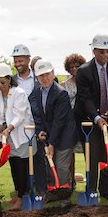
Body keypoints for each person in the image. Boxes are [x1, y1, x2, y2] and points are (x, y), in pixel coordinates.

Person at [74, 34, 108, 202]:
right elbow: (84, 98)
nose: (105, 56)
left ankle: (105, 190)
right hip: (90, 119)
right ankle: (91, 190)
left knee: (107, 154)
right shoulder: (84, 71)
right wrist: (96, 118)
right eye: (102, 52)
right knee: (93, 156)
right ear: (94, 51)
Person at [29, 60, 77, 206]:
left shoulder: (60, 93)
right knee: (50, 167)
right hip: (51, 133)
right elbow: (42, 115)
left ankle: (65, 198)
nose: (45, 78)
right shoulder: (37, 92)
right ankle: (54, 194)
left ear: (53, 73)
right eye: (41, 75)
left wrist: (52, 143)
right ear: (37, 77)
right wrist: (42, 130)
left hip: (65, 135)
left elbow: (59, 121)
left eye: (47, 74)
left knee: (61, 167)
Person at [0, 63, 34, 210]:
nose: (0, 85)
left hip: (22, 135)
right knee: (14, 166)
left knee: (22, 166)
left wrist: (8, 128)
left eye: (2, 82)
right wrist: (0, 125)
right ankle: (17, 194)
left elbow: (19, 116)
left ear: (9, 79)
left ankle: (22, 198)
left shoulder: (19, 93)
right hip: (8, 136)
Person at [11, 44, 45, 193]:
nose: (18, 64)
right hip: (18, 126)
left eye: (21, 61)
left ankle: (41, 189)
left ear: (28, 59)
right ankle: (22, 190)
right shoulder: (11, 81)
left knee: (39, 157)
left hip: (38, 124)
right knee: (20, 159)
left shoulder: (39, 78)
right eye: (15, 61)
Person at [61, 53, 86, 183]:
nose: (75, 69)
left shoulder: (87, 82)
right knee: (69, 153)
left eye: (77, 66)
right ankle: (70, 181)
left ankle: (91, 183)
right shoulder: (64, 84)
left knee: (88, 151)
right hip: (70, 121)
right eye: (71, 67)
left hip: (85, 120)